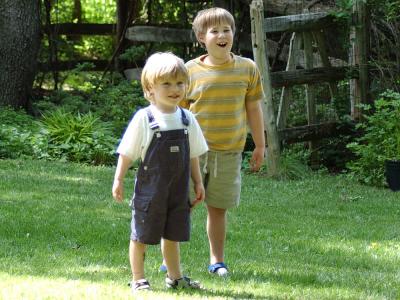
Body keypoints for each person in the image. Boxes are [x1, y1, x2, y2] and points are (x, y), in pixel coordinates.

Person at [112, 52, 208, 293]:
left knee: (173, 235)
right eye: (166, 83)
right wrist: (118, 179)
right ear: (150, 88)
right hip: (150, 192)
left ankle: (175, 277)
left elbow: (194, 154)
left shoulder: (187, 119)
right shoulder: (145, 119)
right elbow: (126, 152)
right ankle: (138, 278)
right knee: (141, 235)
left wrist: (198, 182)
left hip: (177, 192)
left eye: (179, 83)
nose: (174, 89)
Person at [181, 7, 266, 277]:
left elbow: (254, 109)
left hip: (229, 152)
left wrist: (261, 145)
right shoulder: (188, 71)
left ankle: (217, 260)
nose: (221, 35)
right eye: (214, 30)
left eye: (226, 29)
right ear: (200, 37)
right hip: (192, 153)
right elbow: (177, 113)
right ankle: (170, 258)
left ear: (233, 34)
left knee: (218, 209)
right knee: (180, 206)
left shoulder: (247, 68)